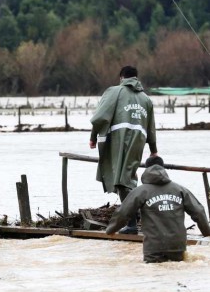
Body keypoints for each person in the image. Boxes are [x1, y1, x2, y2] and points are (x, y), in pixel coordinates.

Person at [89, 65, 158, 234]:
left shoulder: (114, 91)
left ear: (121, 78)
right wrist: (154, 149)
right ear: (136, 78)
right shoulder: (146, 99)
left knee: (122, 182)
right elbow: (151, 128)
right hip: (138, 141)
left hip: (119, 141)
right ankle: (139, 217)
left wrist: (93, 137)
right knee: (128, 179)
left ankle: (132, 223)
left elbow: (99, 117)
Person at [106, 156, 210, 263]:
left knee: (154, 274)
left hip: (154, 247)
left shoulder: (140, 191)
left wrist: (111, 229)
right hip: (177, 245)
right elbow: (199, 211)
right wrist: (207, 232)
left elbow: (123, 213)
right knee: (176, 274)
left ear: (146, 169)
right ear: (163, 168)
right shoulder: (180, 190)